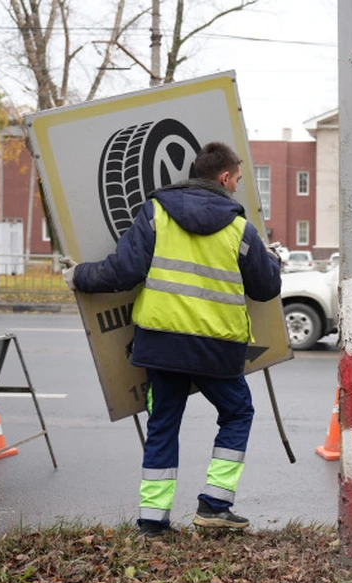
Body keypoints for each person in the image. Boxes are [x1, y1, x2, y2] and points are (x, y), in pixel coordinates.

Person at [61, 141, 282, 538]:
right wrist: (273, 259)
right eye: (237, 181)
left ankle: (152, 521)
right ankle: (215, 505)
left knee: (163, 424)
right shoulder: (239, 228)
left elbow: (120, 272)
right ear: (224, 177)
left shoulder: (155, 214)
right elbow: (266, 288)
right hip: (218, 348)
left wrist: (78, 275)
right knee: (237, 413)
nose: (236, 188)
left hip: (161, 344)